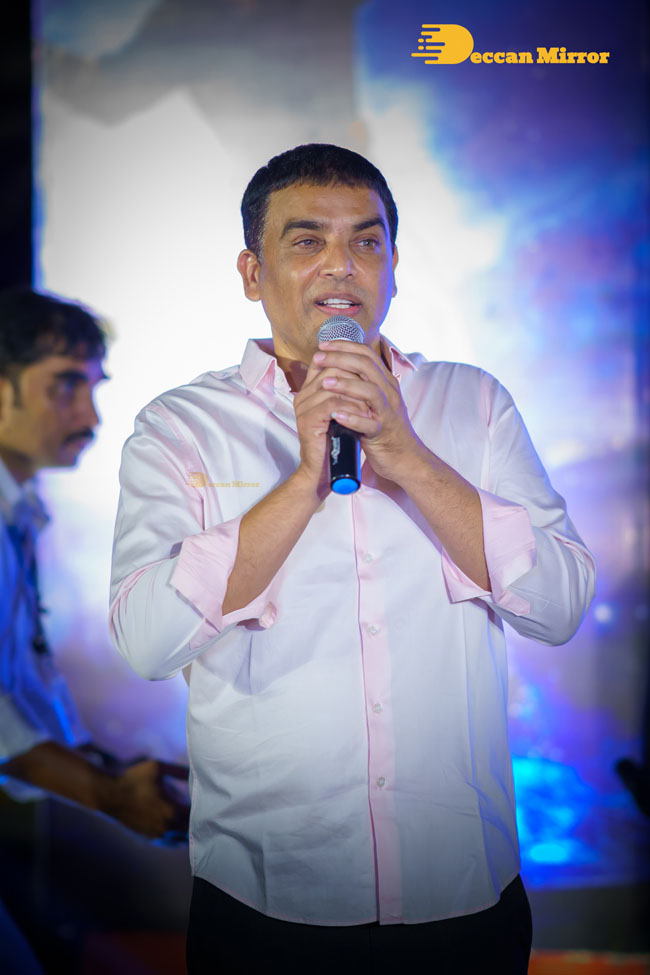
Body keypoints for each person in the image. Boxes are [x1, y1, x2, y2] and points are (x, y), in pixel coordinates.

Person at [110, 144, 596, 974]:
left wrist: (410, 457)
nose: (342, 265)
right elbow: (148, 639)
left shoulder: (473, 403)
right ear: (252, 272)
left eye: (367, 242)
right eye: (307, 241)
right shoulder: (180, 426)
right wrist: (303, 481)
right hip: (267, 900)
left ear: (394, 268)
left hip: (461, 891)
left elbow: (559, 606)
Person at [0, 289, 189, 833]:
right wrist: (108, 794)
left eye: (92, 387)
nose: (91, 415)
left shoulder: (20, 507)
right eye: (65, 385)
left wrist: (105, 773)